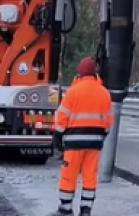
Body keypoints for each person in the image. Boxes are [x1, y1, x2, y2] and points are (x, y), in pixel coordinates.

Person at [53, 57, 114, 215]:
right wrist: (101, 136)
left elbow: (62, 117)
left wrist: (58, 137)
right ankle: (86, 210)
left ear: (79, 73)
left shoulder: (73, 92)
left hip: (73, 142)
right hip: (94, 143)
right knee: (89, 176)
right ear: (94, 73)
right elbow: (108, 122)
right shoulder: (104, 93)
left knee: (69, 175)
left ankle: (65, 209)